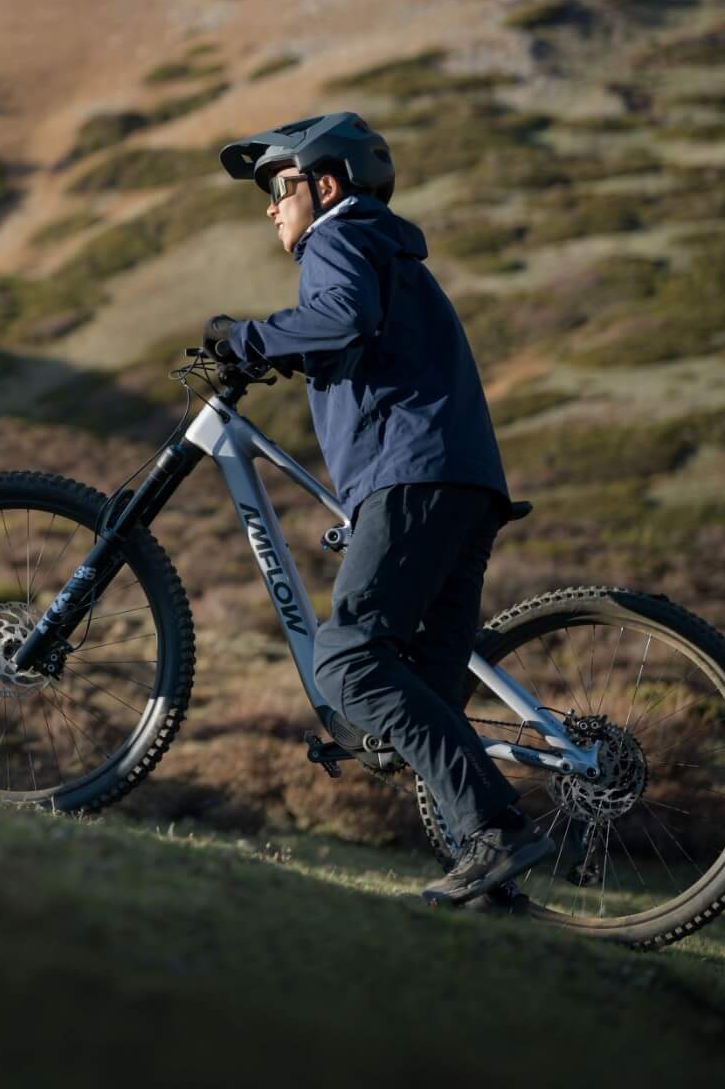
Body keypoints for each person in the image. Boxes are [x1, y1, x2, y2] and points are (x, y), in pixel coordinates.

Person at [204, 112, 551, 906]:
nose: (271, 206)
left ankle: (497, 830)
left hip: (413, 476)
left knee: (348, 663)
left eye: (279, 186)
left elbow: (342, 318)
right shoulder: (386, 250)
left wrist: (245, 338)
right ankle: (492, 876)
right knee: (423, 695)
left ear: (325, 185)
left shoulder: (340, 237)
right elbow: (359, 336)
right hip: (463, 482)